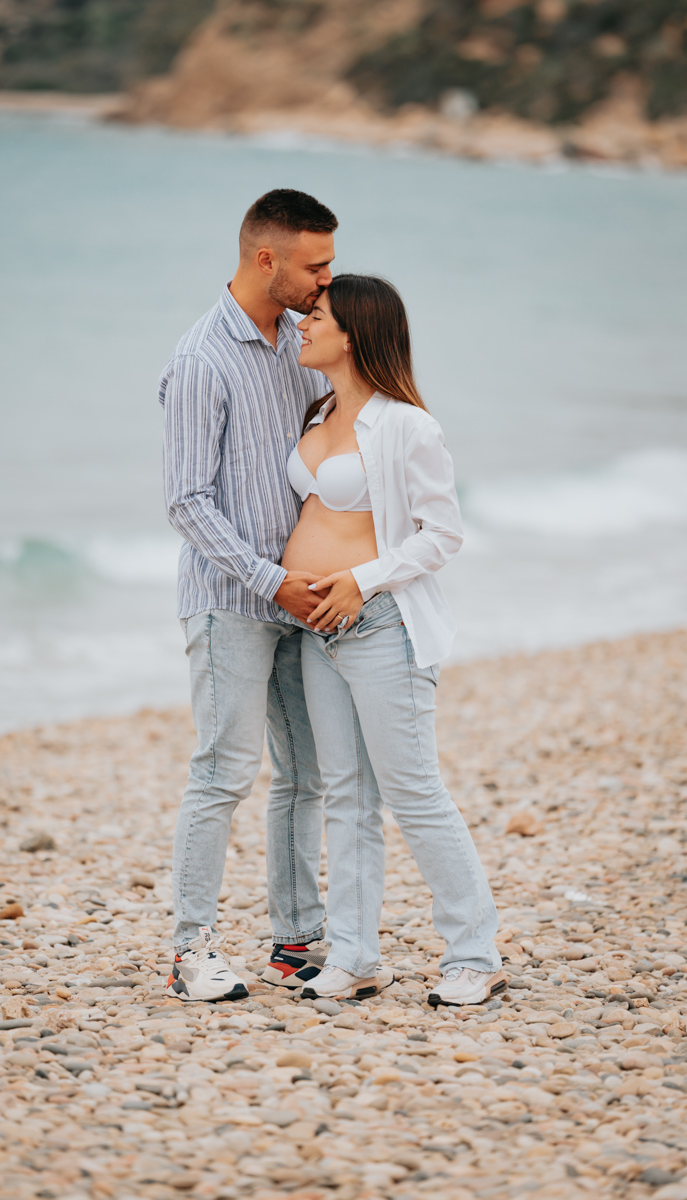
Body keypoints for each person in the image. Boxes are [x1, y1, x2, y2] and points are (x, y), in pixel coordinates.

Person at [281, 274, 507, 1006]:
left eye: (316, 315)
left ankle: (475, 954)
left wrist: (362, 580)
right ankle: (354, 956)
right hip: (316, 635)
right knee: (345, 795)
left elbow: (443, 534)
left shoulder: (407, 424)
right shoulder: (316, 416)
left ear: (354, 332)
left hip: (380, 626)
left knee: (413, 793)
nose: (303, 325)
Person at [159, 189, 339, 1002]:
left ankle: (296, 942)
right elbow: (188, 501)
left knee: (304, 771)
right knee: (223, 772)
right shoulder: (202, 359)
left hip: (300, 596)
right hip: (232, 599)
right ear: (266, 258)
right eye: (316, 266)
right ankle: (190, 950)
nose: (326, 281)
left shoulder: (300, 343)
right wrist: (273, 582)